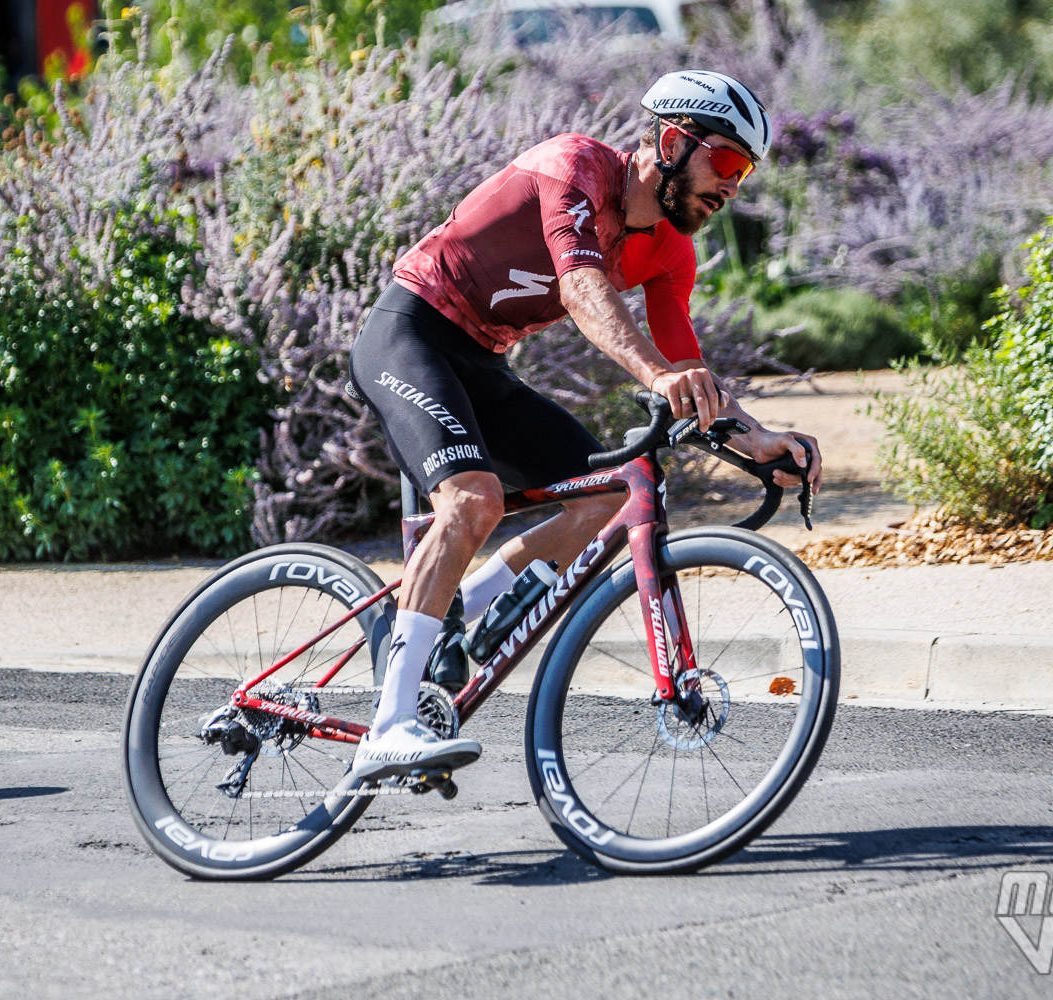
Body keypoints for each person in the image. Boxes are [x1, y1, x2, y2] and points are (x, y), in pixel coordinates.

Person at [346, 70, 824, 780]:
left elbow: (686, 368)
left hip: (482, 362)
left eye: (744, 172)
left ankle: (451, 608)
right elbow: (582, 287)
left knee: (603, 497)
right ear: (669, 140)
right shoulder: (572, 167)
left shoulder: (670, 252)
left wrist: (756, 441)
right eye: (724, 162)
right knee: (472, 500)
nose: (732, 186)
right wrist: (657, 375)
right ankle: (388, 725)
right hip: (409, 333)